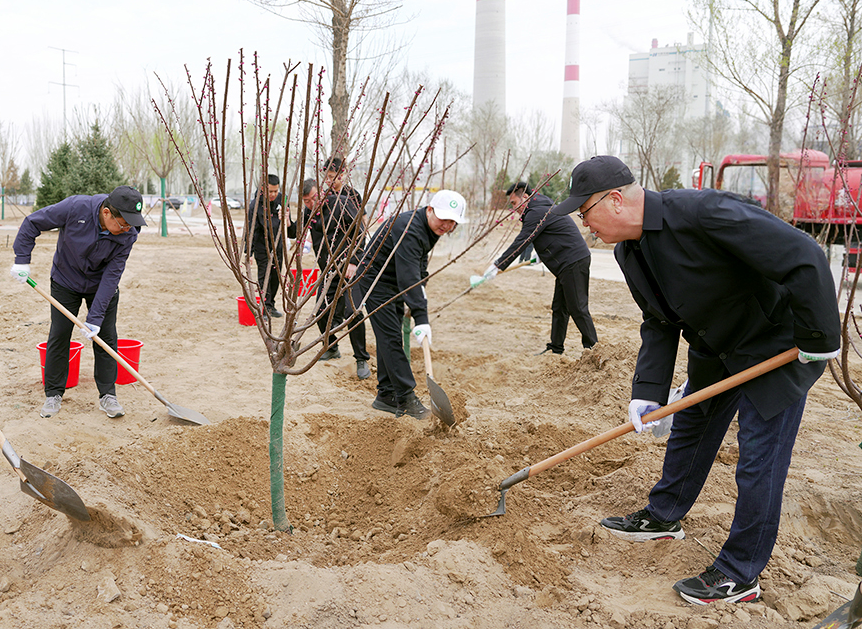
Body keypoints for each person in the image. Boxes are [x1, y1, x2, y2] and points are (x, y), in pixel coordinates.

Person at [552, 155, 840, 605]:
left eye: (584, 213)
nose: (585, 226)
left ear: (613, 201)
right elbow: (658, 322)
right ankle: (664, 516)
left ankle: (739, 573)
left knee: (758, 461)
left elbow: (803, 254)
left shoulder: (704, 212)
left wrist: (821, 338)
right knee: (691, 427)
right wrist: (646, 394)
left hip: (777, 345)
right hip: (716, 346)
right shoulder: (630, 251)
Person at [11, 185, 146, 419]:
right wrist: (22, 259)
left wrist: (94, 318)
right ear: (107, 213)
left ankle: (108, 395)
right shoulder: (76, 208)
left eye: (131, 224)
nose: (127, 228)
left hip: (101, 286)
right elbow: (32, 222)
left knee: (106, 336)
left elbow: (112, 275)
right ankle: (53, 394)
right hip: (65, 280)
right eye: (123, 223)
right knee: (59, 335)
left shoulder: (129, 234)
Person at [353, 190, 468, 419]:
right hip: (375, 280)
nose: (446, 225)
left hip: (392, 281)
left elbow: (417, 266)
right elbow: (408, 277)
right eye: (442, 218)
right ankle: (406, 399)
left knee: (390, 336)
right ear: (429, 210)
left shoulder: (427, 227)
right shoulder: (410, 229)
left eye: (451, 222)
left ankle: (386, 395)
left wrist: (420, 289)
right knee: (391, 338)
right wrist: (421, 317)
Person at [480, 181, 598, 355]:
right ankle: (555, 348)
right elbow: (551, 233)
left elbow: (522, 240)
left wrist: (498, 265)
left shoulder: (536, 211)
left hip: (573, 261)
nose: (513, 209)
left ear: (525, 197)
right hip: (567, 262)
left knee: (578, 308)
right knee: (559, 308)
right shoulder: (539, 207)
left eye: (514, 203)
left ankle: (593, 350)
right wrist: (542, 254)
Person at [301, 158, 371, 378]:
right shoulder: (309, 211)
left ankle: (361, 359)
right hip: (329, 269)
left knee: (353, 311)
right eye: (306, 201)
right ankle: (331, 348)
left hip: (349, 266)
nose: (311, 204)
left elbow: (360, 232)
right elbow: (299, 231)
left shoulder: (343, 201)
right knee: (321, 308)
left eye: (313, 199)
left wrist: (353, 261)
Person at [244, 174, 292, 318]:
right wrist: (249, 252)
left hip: (278, 246)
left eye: (275, 191)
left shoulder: (283, 199)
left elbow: (288, 223)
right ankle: (263, 306)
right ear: (263, 189)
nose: (273, 194)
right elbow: (251, 230)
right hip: (262, 246)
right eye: (270, 191)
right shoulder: (255, 205)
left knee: (276, 276)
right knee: (264, 276)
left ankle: (270, 306)